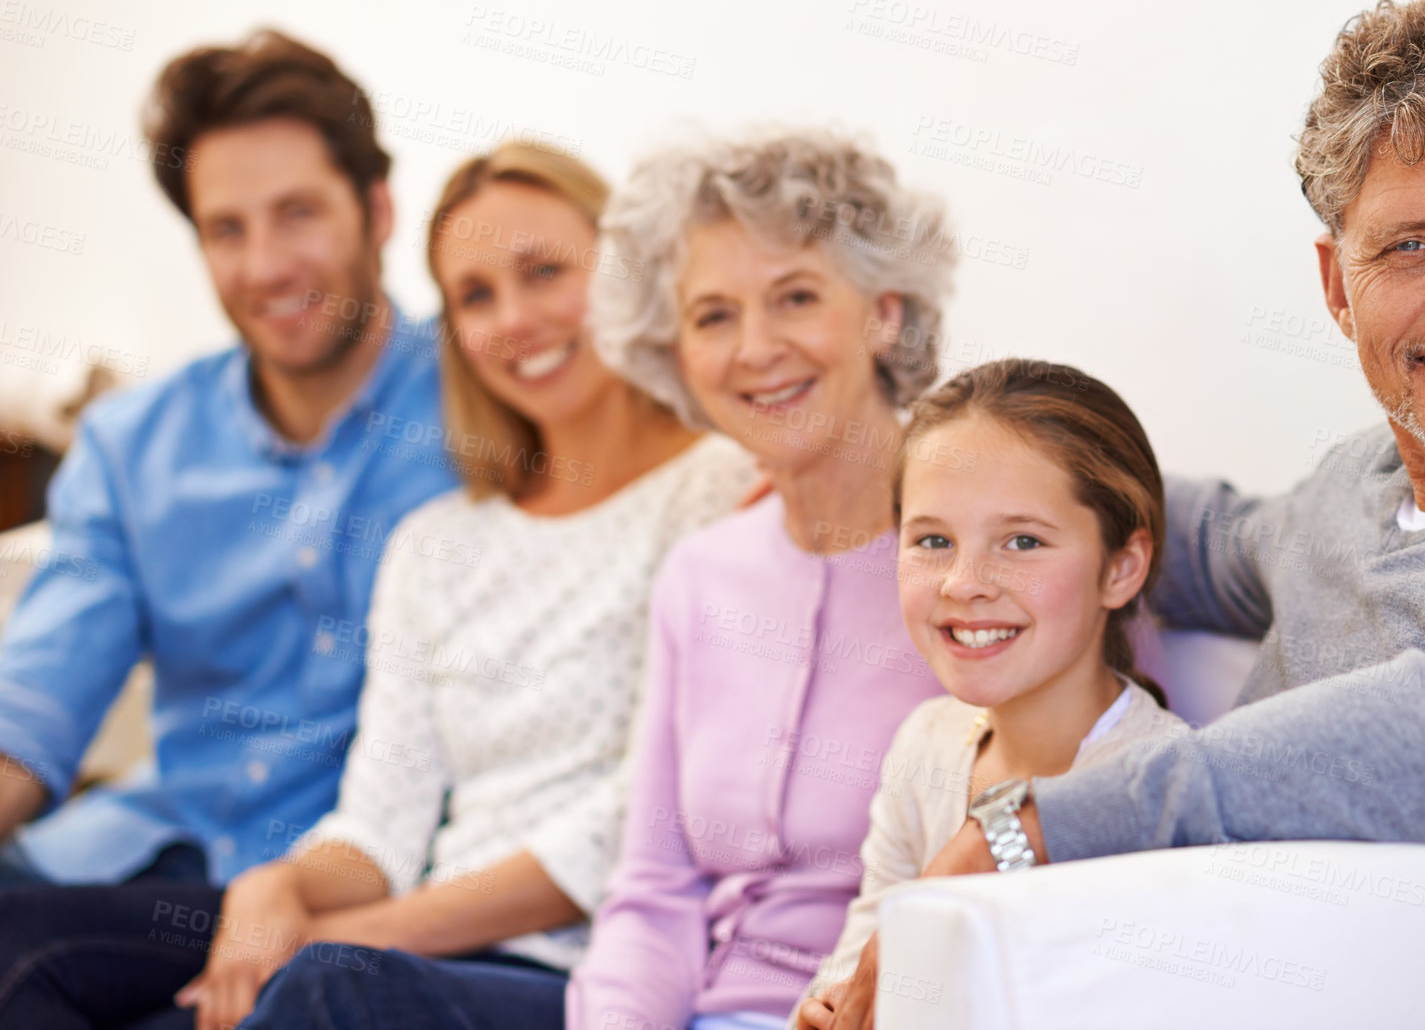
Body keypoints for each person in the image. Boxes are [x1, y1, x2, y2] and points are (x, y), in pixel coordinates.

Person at [824, 0, 1425, 1029]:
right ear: (1338, 289)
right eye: (1408, 246)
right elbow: (1151, 519)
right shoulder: (1352, 492)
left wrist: (1042, 824)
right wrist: (879, 460)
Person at [237, 128, 959, 1029]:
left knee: (334, 987)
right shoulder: (707, 574)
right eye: (712, 316)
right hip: (669, 1003)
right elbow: (653, 888)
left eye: (796, 296)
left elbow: (1053, 809)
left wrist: (378, 934)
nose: (755, 347)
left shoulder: (968, 559)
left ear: (882, 312)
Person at [0, 32, 453, 881]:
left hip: (381, 891)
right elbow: (34, 706)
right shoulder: (129, 447)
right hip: (167, 861)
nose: (265, 267)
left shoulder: (489, 411)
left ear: (378, 210)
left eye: (298, 213)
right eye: (225, 229)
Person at [795, 359, 1188, 1028]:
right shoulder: (925, 742)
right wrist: (828, 1005)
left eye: (1022, 540)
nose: (962, 581)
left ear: (1121, 567)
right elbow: (861, 952)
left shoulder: (1163, 790)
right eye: (933, 539)